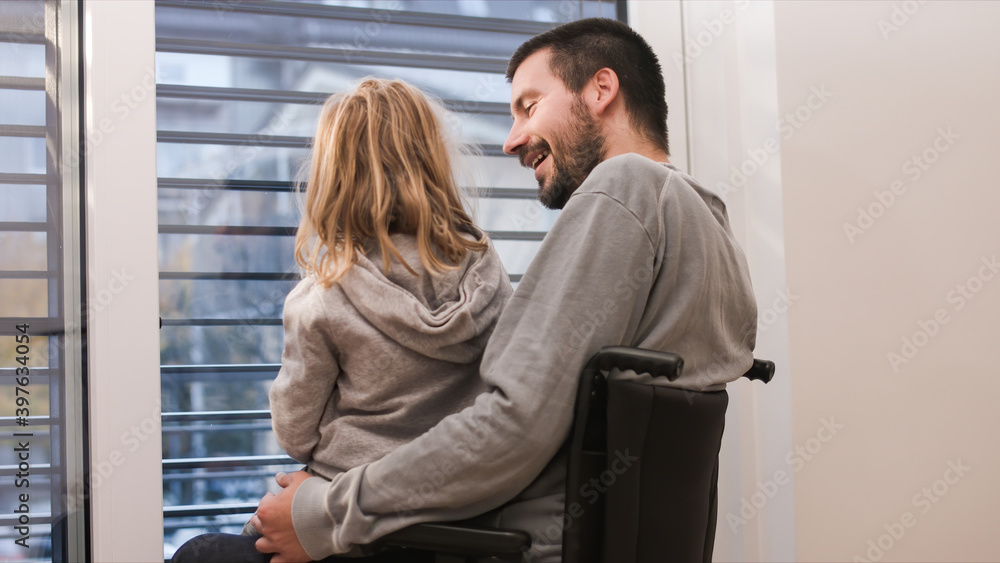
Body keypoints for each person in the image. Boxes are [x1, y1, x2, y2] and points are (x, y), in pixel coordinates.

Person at [220, 17, 757, 563]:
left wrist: (325, 513)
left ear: (601, 89)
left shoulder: (624, 190)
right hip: (565, 539)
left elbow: (511, 424)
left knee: (203, 554)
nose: (511, 140)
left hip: (494, 544)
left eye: (529, 106)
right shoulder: (705, 214)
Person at [171, 78, 512, 562]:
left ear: (332, 178)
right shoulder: (488, 275)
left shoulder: (321, 299)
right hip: (461, 527)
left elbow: (295, 434)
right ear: (435, 164)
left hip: (349, 524)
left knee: (200, 553)